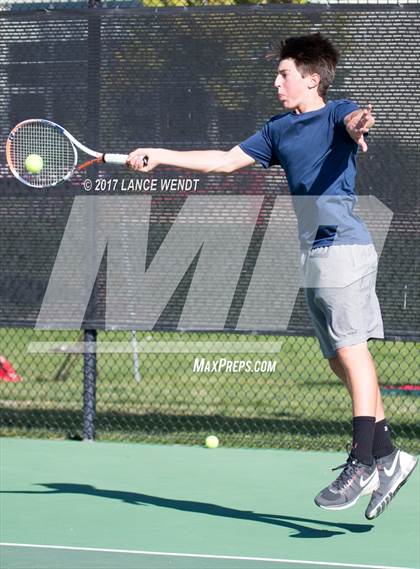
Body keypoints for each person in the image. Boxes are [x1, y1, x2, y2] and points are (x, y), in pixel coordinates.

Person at [127, 32, 417, 519]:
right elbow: (223, 161)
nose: (276, 82)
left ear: (310, 78)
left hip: (344, 247)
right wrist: (162, 153)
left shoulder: (337, 112)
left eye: (284, 74)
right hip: (313, 254)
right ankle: (390, 455)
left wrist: (362, 120)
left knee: (353, 351)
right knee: (337, 360)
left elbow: (354, 120)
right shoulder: (278, 129)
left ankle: (363, 460)